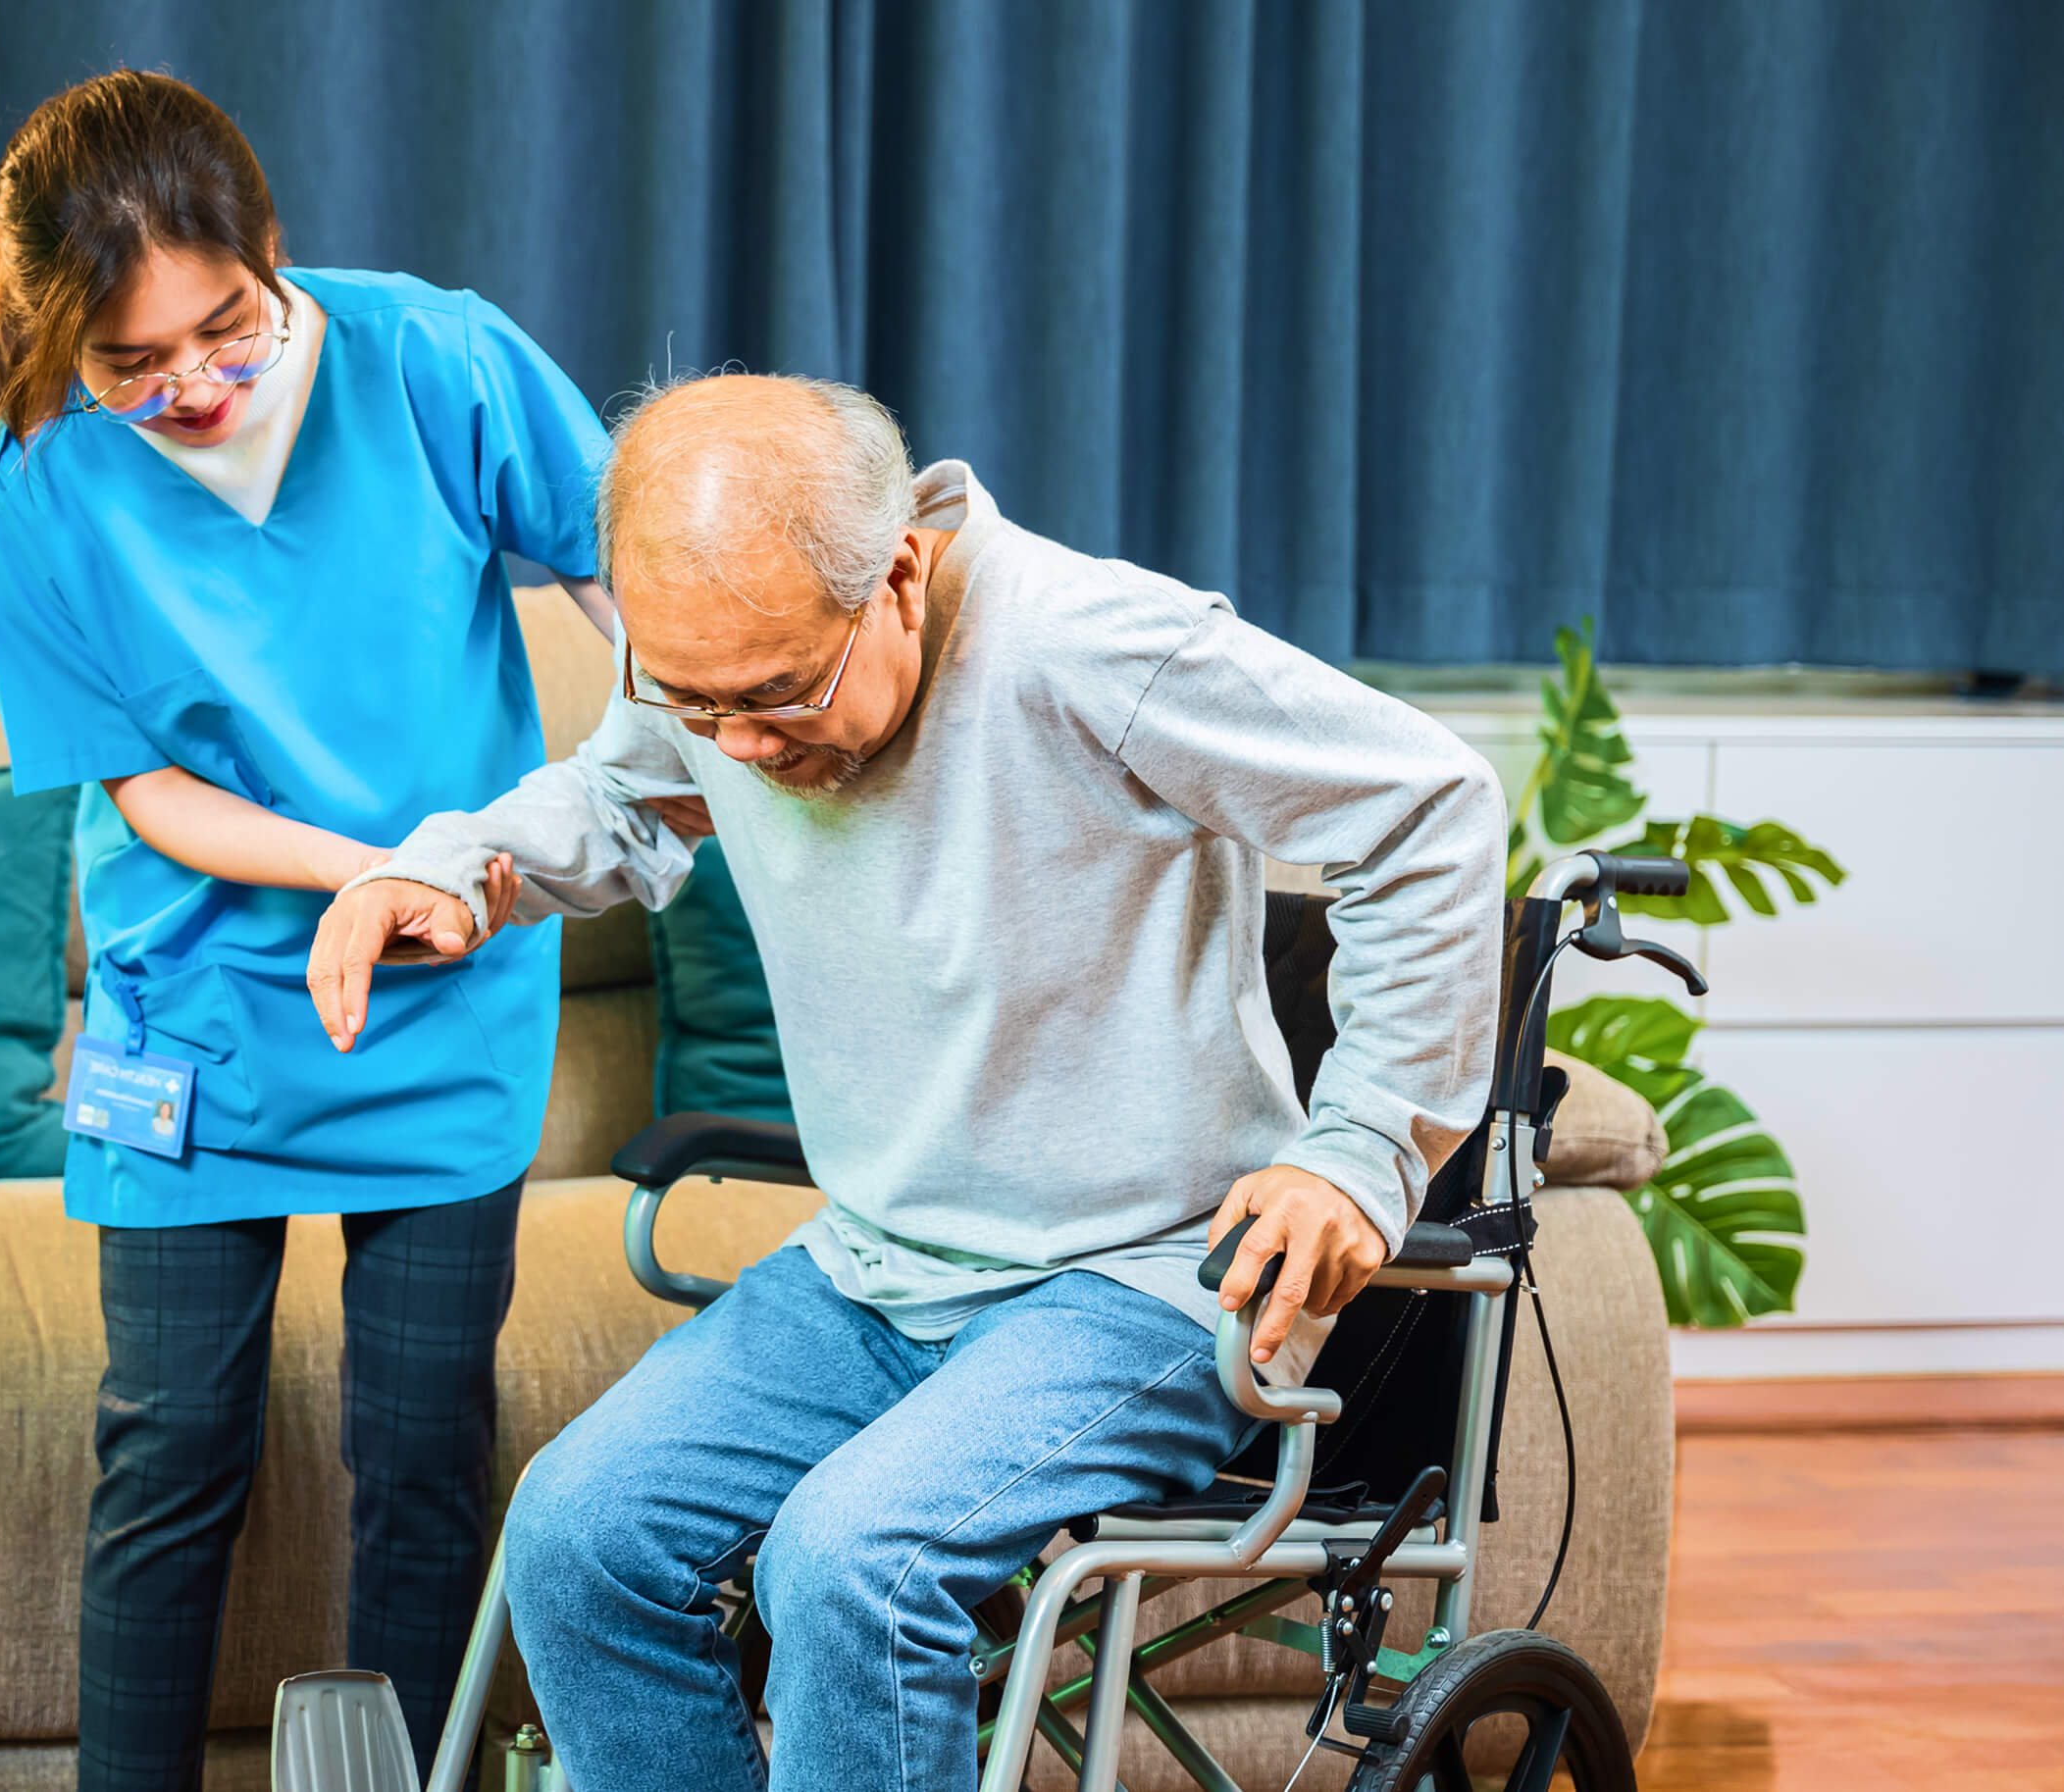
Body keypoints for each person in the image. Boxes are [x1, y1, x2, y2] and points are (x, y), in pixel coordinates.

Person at [307, 373, 1507, 1792]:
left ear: (895, 573)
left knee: (854, 1562)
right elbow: (623, 794)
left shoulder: (1090, 645)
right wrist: (439, 867)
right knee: (578, 1529)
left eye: (771, 697)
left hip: (1142, 1281)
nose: (737, 744)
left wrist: (1358, 1143)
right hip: (875, 1268)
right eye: (692, 698)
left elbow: (1427, 803)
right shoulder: (722, 658)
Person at [0, 70, 631, 1792]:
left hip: (446, 985)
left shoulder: (437, 363)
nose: (191, 384)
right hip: (198, 1006)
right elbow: (150, 796)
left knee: (423, 1453)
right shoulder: (29, 484)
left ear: (275, 255)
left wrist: (630, 772)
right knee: (170, 1448)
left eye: (226, 330)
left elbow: (647, 582)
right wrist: (365, 870)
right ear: (63, 342)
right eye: (133, 361)